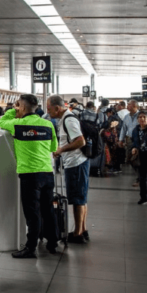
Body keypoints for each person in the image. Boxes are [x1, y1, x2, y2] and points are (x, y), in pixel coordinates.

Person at [0, 94, 60, 258]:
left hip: (29, 175)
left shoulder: (17, 124)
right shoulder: (48, 124)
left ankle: (30, 248)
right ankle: (53, 242)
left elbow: (1, 122)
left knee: (32, 212)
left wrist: (12, 110)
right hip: (47, 173)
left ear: (22, 107)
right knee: (48, 209)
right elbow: (54, 147)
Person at [47, 96, 90, 244]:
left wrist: (61, 150)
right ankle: (82, 230)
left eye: (49, 108)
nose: (48, 111)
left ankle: (77, 234)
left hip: (76, 163)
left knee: (78, 199)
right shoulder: (66, 118)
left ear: (57, 108)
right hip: (78, 163)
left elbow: (80, 141)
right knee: (81, 198)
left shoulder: (68, 119)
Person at [119, 100, 140, 186]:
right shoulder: (126, 117)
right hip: (130, 139)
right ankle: (142, 174)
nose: (127, 106)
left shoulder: (141, 116)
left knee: (138, 159)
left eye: (129, 104)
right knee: (129, 159)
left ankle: (140, 178)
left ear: (135, 106)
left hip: (139, 140)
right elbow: (123, 129)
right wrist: (121, 139)